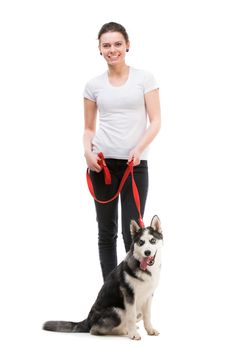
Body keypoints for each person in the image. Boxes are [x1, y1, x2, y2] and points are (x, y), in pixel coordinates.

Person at [83, 22, 161, 281]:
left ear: (127, 45)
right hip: (102, 166)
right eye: (106, 45)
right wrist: (87, 152)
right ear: (99, 49)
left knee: (133, 233)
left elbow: (156, 121)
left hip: (134, 164)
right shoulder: (93, 85)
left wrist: (139, 149)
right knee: (106, 232)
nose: (112, 49)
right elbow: (89, 128)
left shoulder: (144, 79)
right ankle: (110, 294)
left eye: (118, 44)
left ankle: (133, 292)